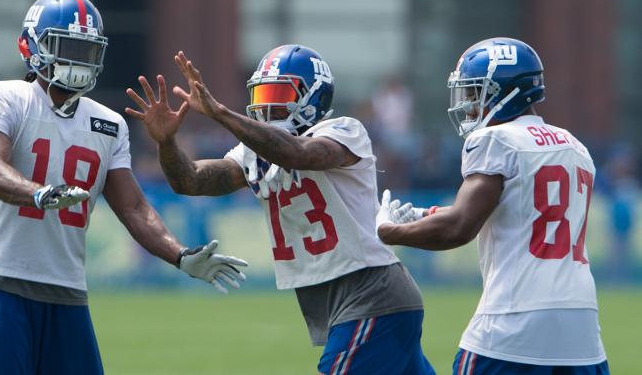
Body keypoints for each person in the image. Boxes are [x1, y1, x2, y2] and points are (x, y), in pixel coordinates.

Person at [0, 0, 247, 375]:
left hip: (68, 292)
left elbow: (133, 207)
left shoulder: (108, 123)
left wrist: (179, 254)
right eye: (67, 46)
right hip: (2, 283)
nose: (77, 59)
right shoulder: (4, 96)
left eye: (86, 49)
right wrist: (39, 193)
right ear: (31, 45)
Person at [125, 45, 434, 375]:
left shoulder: (344, 131)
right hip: (344, 299)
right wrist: (166, 142)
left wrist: (221, 114)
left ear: (314, 97)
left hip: (371, 293)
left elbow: (297, 154)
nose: (267, 105)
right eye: (262, 94)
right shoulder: (253, 152)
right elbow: (191, 181)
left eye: (278, 93)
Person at [377, 38, 609, 374]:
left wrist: (390, 231)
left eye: (474, 93)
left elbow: (460, 228)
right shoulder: (575, 147)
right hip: (582, 324)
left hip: (513, 318)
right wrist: (424, 216)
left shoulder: (495, 140)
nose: (469, 104)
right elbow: (518, 215)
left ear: (506, 91)